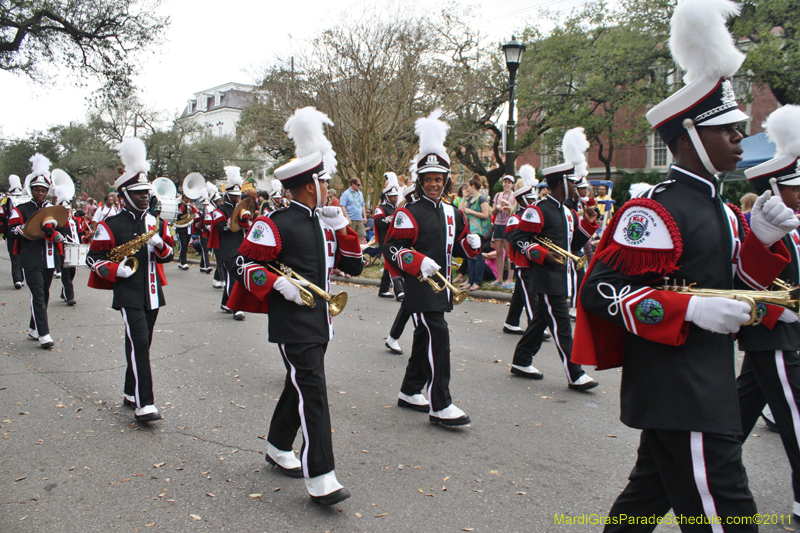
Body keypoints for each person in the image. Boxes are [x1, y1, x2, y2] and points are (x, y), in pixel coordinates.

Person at [574, 1, 798, 527]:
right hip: (681, 387)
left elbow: (734, 287)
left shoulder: (720, 208)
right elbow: (602, 293)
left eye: (739, 129)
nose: (741, 139)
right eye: (729, 131)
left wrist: (761, 243)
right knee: (729, 515)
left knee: (641, 506)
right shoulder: (654, 209)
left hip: (702, 384)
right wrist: (688, 309)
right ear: (689, 136)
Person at [226, 107, 362, 506]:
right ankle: (321, 475)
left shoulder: (324, 221)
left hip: (320, 319)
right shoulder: (275, 222)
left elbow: (354, 266)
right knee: (313, 391)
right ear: (309, 185)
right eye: (324, 181)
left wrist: (343, 228)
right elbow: (243, 265)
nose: (328, 187)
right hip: (292, 322)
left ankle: (277, 444)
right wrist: (277, 283)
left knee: (298, 384)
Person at [383, 108, 481, 426]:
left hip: (442, 287)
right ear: (421, 181)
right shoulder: (408, 212)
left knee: (425, 339)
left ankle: (410, 390)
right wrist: (418, 262)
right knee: (438, 338)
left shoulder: (454, 212)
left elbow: (458, 246)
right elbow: (392, 248)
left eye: (439, 179)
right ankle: (441, 404)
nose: (434, 184)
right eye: (429, 179)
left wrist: (472, 245)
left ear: (445, 180)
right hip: (419, 287)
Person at [737, 105, 800, 523]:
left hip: (783, 334)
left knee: (737, 415)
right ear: (774, 189)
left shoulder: (794, 226)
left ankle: (711, 458)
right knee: (796, 414)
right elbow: (747, 283)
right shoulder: (757, 229)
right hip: (773, 331)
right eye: (795, 188)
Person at [86, 137, 174, 422]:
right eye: (138, 193)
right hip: (128, 291)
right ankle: (144, 403)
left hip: (153, 291)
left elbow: (169, 256)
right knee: (139, 342)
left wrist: (160, 245)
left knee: (141, 343)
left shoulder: (157, 223)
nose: (145, 197)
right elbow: (93, 259)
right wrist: (115, 271)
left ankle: (129, 391)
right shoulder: (109, 225)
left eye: (146, 192)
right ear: (124, 195)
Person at [508, 129, 599, 391]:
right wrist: (542, 254)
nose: (578, 188)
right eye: (573, 183)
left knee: (541, 321)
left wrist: (588, 224)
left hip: (563, 276)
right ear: (561, 184)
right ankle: (575, 374)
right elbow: (518, 239)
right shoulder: (538, 210)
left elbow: (573, 245)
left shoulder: (568, 212)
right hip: (546, 277)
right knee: (561, 325)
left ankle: (521, 361)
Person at [7, 154, 62, 348]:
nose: (40, 193)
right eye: (37, 189)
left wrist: (57, 234)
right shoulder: (21, 209)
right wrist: (25, 229)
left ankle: (33, 327)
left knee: (44, 294)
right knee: (38, 295)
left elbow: (63, 229)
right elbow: (10, 231)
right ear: (31, 190)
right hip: (30, 258)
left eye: (43, 190)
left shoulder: (53, 209)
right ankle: (44, 334)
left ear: (47, 191)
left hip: (49, 258)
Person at [208, 167, 246, 321]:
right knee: (233, 278)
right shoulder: (219, 210)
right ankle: (237, 307)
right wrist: (235, 219)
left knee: (235, 276)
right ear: (227, 195)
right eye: (234, 195)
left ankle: (225, 303)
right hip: (225, 248)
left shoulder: (241, 209)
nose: (237, 198)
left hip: (239, 246)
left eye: (238, 195)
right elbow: (222, 228)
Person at [374, 172, 404, 300]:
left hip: (395, 240)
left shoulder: (397, 208)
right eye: (392, 196)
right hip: (385, 241)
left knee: (389, 266)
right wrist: (392, 218)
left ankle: (383, 289)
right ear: (387, 197)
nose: (395, 198)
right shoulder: (380, 208)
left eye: (396, 196)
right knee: (391, 265)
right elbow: (379, 223)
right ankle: (399, 291)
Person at [460, 178, 491, 291]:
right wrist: (464, 197)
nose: (467, 188)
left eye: (468, 186)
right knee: (470, 256)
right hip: (469, 231)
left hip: (478, 231)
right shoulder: (470, 199)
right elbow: (460, 210)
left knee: (477, 257)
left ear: (473, 186)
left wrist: (471, 212)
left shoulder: (482, 198)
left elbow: (486, 214)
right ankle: (470, 280)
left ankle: (477, 281)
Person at [54, 175, 78, 306]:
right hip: (63, 249)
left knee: (73, 272)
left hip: (74, 248)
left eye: (68, 210)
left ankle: (64, 292)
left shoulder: (74, 221)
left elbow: (78, 234)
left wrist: (86, 238)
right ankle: (69, 296)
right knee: (66, 273)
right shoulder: (58, 223)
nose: (67, 212)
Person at [492, 175, 516, 287]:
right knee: (498, 252)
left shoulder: (514, 196)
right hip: (498, 224)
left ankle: (510, 278)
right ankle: (499, 278)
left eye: (509, 182)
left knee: (509, 252)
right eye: (505, 182)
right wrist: (497, 207)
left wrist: (507, 204)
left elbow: (514, 210)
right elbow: (492, 212)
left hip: (508, 224)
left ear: (512, 185)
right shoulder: (498, 195)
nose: (506, 184)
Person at [2, 174, 26, 289]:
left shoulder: (7, 201)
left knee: (14, 256)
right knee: (23, 254)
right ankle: (21, 277)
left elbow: (3, 217)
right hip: (25, 230)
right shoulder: (26, 199)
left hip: (11, 231)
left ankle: (18, 279)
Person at [340, 177, 367, 243]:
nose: (359, 186)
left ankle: (361, 249)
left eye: (360, 185)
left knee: (362, 235)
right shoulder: (346, 193)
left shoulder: (360, 193)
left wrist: (365, 217)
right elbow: (342, 206)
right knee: (350, 237)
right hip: (351, 219)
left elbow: (363, 205)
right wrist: (347, 218)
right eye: (357, 185)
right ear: (352, 184)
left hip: (360, 219)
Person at [175, 193, 198, 270]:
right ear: (182, 198)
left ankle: (181, 261)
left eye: (188, 198)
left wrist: (193, 208)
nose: (187, 200)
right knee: (183, 245)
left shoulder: (190, 206)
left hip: (188, 228)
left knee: (185, 245)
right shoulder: (179, 205)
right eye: (185, 198)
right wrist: (182, 206)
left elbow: (196, 213)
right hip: (181, 228)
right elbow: (178, 215)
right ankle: (183, 262)